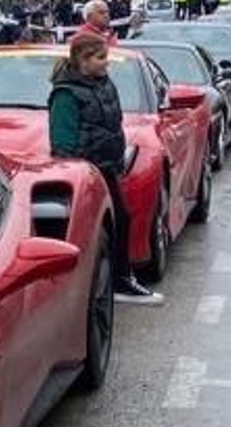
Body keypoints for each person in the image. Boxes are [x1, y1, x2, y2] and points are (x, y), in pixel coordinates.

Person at [49, 33, 163, 305]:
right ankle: (111, 283)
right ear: (82, 60)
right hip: (87, 173)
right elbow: (62, 142)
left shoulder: (102, 84)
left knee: (120, 220)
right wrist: (78, 171)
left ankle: (117, 279)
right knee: (102, 226)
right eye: (100, 58)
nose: (106, 64)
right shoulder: (65, 95)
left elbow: (111, 124)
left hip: (106, 167)